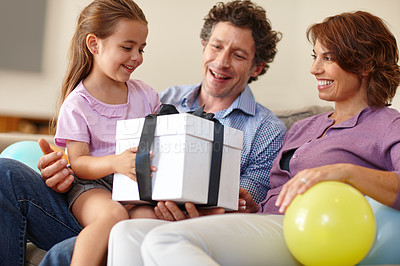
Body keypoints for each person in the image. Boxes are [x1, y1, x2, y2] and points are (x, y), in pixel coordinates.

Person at [0, 0, 285, 265]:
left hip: (160, 215)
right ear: (203, 46)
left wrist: (224, 204)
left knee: (72, 250)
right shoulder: (165, 97)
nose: (221, 62)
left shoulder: (265, 129)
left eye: (237, 55)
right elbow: (92, 151)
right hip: (99, 196)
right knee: (6, 172)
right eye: (216, 46)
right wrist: (62, 167)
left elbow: (250, 199)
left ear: (257, 66)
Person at [107, 10, 400, 265]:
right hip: (268, 222)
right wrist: (249, 204)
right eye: (315, 57)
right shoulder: (303, 128)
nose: (315, 69)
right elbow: (275, 194)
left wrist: (345, 173)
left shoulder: (388, 125)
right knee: (126, 233)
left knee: (165, 241)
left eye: (328, 58)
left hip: (310, 234)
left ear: (364, 64)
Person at [52, 0, 162, 265]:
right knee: (112, 216)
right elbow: (78, 163)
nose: (137, 57)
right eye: (127, 47)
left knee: (148, 222)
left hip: (135, 186)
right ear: (94, 44)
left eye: (141, 49)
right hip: (92, 186)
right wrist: (115, 163)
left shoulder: (145, 95)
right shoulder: (77, 104)